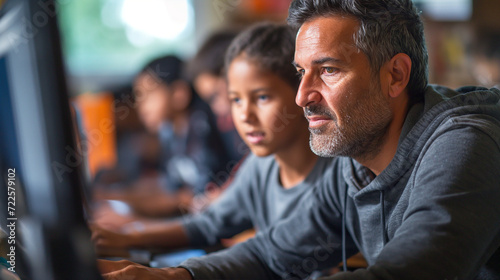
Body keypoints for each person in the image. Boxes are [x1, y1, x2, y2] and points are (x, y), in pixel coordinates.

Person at [98, 0, 500, 279]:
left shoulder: (464, 143)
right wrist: (171, 276)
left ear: (395, 75)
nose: (301, 95)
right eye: (300, 72)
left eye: (327, 71)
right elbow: (270, 254)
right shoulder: (353, 165)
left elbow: (408, 274)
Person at [93, 23, 335, 273]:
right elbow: (207, 224)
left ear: (301, 94)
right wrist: (126, 239)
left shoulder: (337, 174)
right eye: (235, 100)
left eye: (262, 97)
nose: (244, 116)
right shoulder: (260, 166)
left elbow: (268, 256)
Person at [95, 55, 231, 217]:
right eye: (138, 96)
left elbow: (192, 198)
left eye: (148, 94)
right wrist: (114, 195)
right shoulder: (169, 133)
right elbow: (169, 187)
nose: (140, 105)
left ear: (179, 95)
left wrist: (127, 210)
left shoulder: (203, 126)